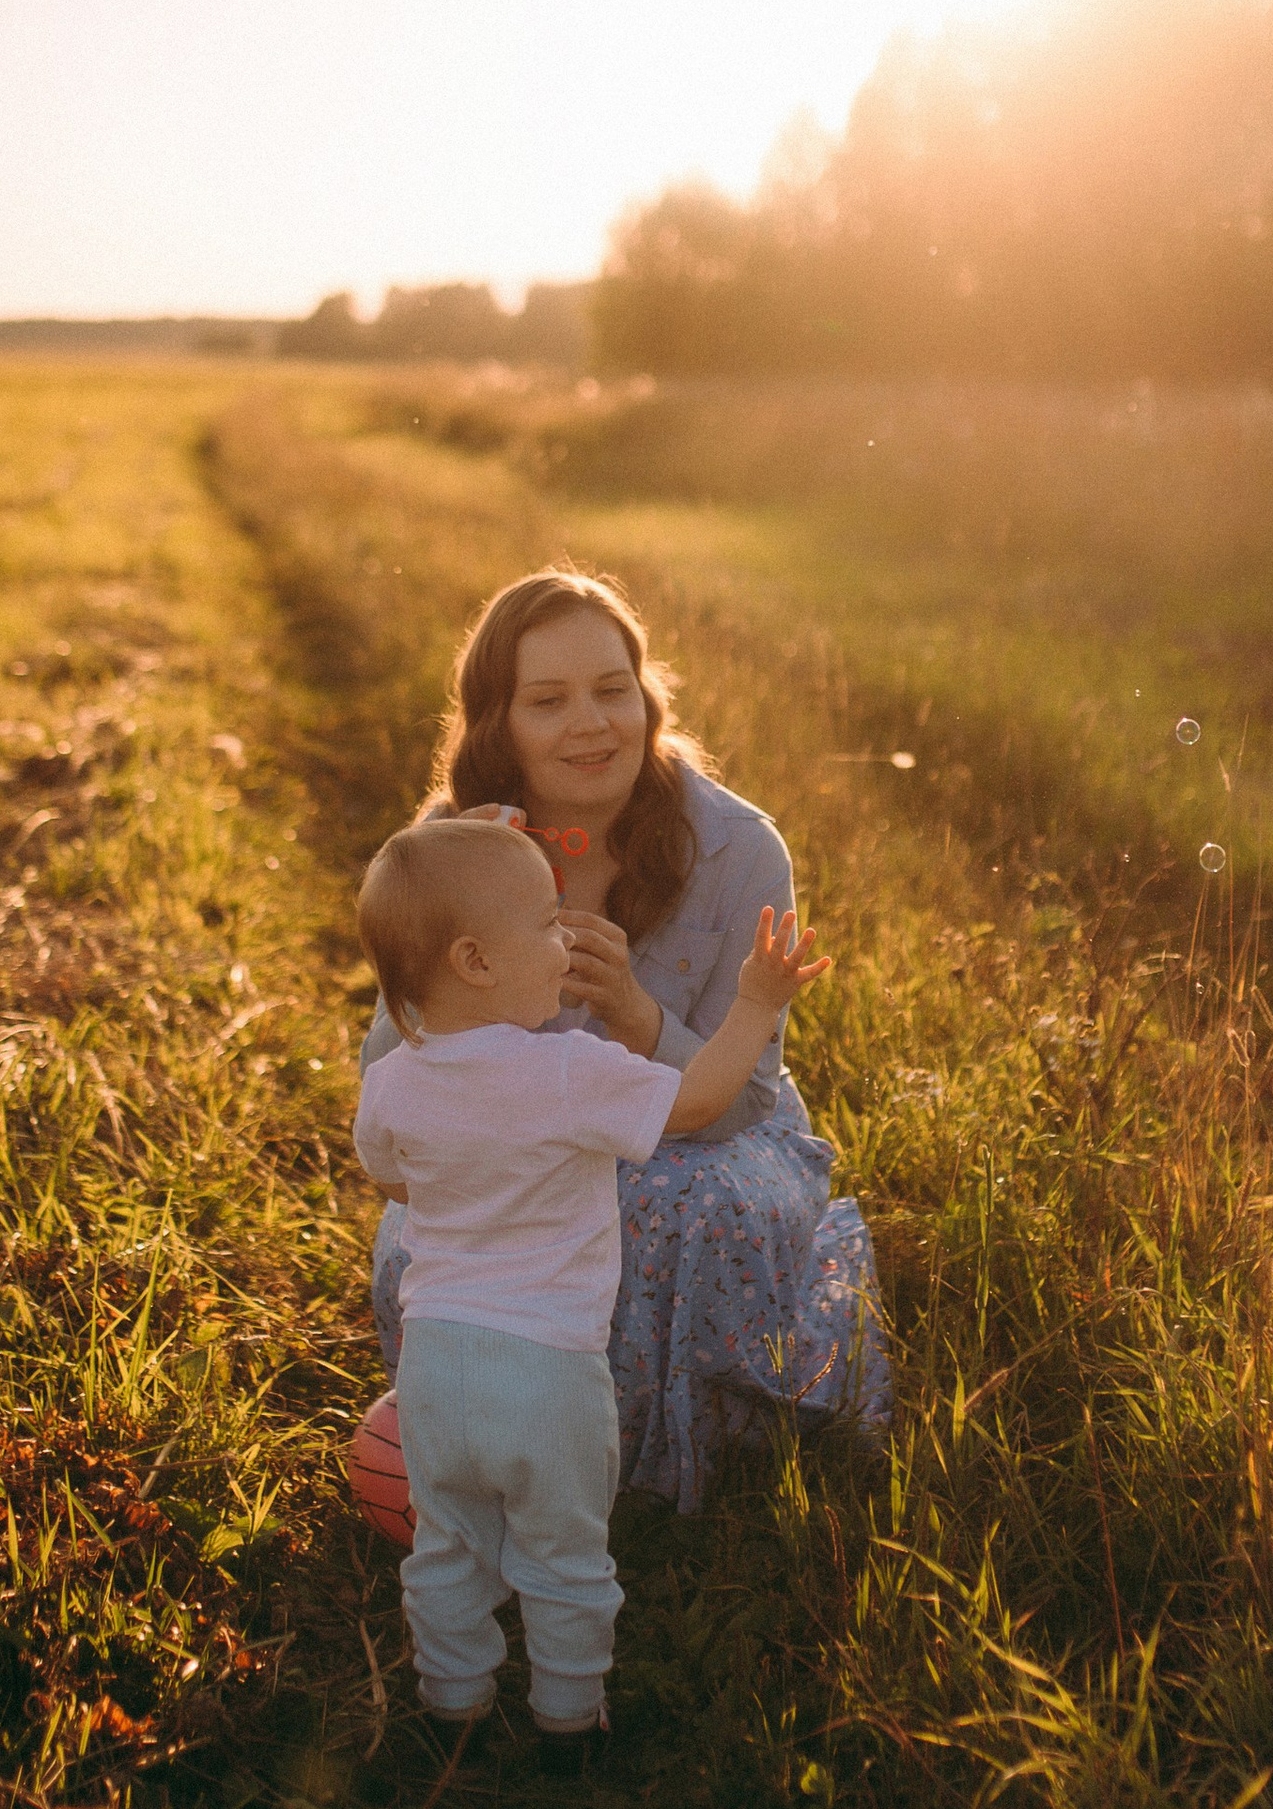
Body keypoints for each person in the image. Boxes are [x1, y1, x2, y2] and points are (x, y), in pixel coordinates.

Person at [360, 568, 887, 1511]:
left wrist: (639, 1018)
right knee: (441, 1237)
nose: (591, 724)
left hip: (709, 1130)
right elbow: (394, 1085)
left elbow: (747, 1103)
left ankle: (656, 1467)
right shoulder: (458, 843)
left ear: (647, 697)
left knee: (672, 1210)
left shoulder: (737, 847)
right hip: (518, 1138)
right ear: (498, 723)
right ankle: (500, 1443)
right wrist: (456, 891)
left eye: (613, 690)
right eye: (548, 701)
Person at [353, 813, 827, 1747]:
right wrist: (756, 1008)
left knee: (448, 1546)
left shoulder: (394, 1083)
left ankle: (452, 1704)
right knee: (566, 1556)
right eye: (545, 923)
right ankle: (568, 1718)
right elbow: (699, 1100)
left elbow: (391, 1175)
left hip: (435, 1365)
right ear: (477, 961)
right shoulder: (571, 1072)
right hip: (551, 1370)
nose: (565, 939)